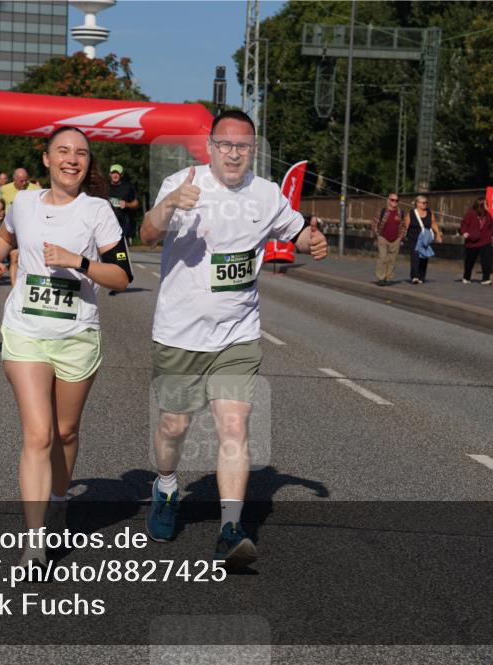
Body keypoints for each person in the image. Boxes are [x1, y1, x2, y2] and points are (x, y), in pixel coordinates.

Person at [139, 110, 328, 568]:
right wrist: (170, 206)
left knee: (234, 426)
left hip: (238, 334)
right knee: (174, 427)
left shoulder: (265, 194)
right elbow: (146, 234)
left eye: (243, 146)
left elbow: (296, 231)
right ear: (211, 146)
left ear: (254, 149)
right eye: (225, 144)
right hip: (180, 333)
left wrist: (313, 241)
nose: (233, 153)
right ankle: (166, 487)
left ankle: (230, 528)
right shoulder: (183, 182)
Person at [0, 126, 131, 565]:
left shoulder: (98, 211)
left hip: (76, 337)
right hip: (25, 331)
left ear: (88, 163)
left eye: (81, 153)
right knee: (38, 433)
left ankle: (60, 499)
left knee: (65, 432)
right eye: (62, 151)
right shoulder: (24, 203)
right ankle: (34, 542)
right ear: (46, 159)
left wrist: (78, 262)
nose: (72, 159)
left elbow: (122, 277)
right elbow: (4, 237)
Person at [405, 194, 442, 284]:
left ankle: (421, 277)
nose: (425, 204)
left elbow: (433, 223)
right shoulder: (411, 213)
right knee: (415, 256)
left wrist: (438, 234)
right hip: (414, 238)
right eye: (423, 203)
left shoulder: (429, 212)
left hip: (425, 238)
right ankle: (414, 276)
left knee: (424, 256)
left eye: (426, 203)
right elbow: (406, 226)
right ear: (417, 203)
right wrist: (403, 237)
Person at [373, 192, 406, 286]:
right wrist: (377, 235)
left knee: (392, 260)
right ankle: (381, 278)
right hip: (383, 237)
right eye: (392, 200)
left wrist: (401, 237)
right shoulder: (382, 211)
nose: (394, 202)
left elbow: (403, 226)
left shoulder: (400, 213)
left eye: (396, 200)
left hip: (396, 239)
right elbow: (374, 223)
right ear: (388, 200)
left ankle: (389, 278)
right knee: (382, 258)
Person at [460, 197, 493, 284]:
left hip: (485, 240)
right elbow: (464, 223)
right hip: (472, 241)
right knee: (470, 260)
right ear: (481, 205)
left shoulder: (488, 215)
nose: (488, 205)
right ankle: (466, 277)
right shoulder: (471, 213)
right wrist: (464, 232)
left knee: (486, 260)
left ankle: (486, 278)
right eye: (486, 204)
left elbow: (490, 227)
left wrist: (490, 236)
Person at [108, 163, 139, 244]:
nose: (115, 175)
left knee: (122, 250)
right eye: (113, 173)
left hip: (123, 226)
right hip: (107, 226)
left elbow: (136, 203)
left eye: (117, 173)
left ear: (121, 175)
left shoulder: (128, 187)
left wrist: (127, 204)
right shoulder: (104, 187)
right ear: (110, 174)